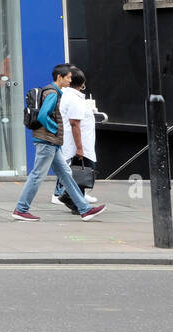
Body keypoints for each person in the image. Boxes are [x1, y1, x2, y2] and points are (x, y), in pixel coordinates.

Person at [12, 63, 105, 221]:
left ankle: (84, 209)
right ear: (59, 77)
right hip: (47, 141)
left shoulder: (56, 92)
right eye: (68, 78)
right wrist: (54, 128)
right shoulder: (53, 93)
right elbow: (42, 116)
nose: (70, 80)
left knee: (66, 174)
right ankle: (21, 209)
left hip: (51, 142)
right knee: (37, 175)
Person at [52, 67, 97, 213]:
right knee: (84, 172)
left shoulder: (68, 96)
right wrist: (80, 148)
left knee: (80, 172)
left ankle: (74, 202)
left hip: (75, 142)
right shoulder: (74, 99)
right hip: (79, 143)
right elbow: (74, 123)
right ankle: (71, 199)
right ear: (82, 82)